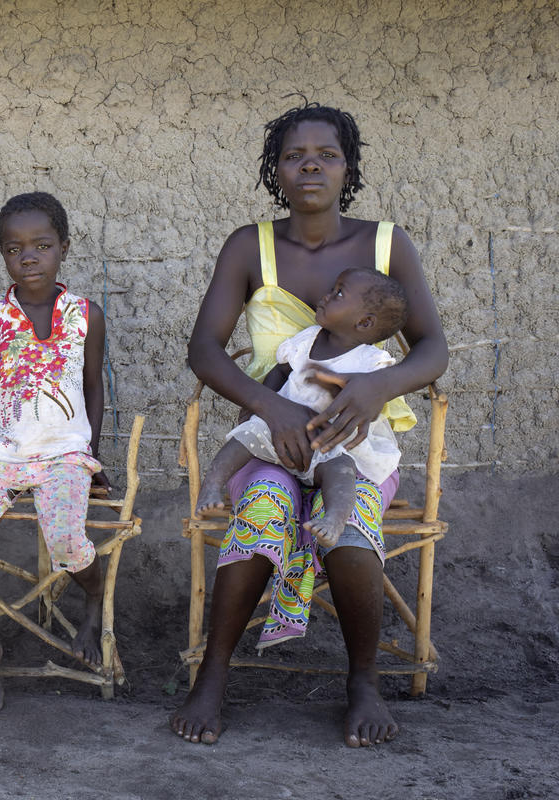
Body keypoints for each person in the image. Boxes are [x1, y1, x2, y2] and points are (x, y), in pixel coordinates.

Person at [171, 103, 447, 748]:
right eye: (294, 156)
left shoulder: (387, 244)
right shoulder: (250, 246)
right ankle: (212, 676)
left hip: (352, 441)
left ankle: (363, 682)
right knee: (264, 508)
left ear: (348, 167)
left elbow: (432, 348)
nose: (311, 167)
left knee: (347, 526)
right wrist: (270, 405)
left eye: (326, 155)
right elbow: (204, 349)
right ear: (276, 169)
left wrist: (378, 386)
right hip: (273, 441)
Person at [0, 191, 109, 712]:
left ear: (64, 248)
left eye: (42, 245)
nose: (28, 257)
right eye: (14, 249)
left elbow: (93, 386)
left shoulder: (86, 314)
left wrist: (93, 456)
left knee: (68, 542)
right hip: (1, 454)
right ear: (2, 254)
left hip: (64, 455)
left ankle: (94, 602)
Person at [196, 267, 408, 549]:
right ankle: (212, 485)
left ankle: (334, 519)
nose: (326, 296)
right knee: (244, 437)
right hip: (283, 430)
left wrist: (330, 385)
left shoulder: (371, 361)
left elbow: (362, 400)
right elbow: (281, 370)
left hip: (330, 443)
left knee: (343, 470)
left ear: (365, 322)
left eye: (339, 293)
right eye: (332, 289)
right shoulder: (307, 339)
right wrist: (261, 405)